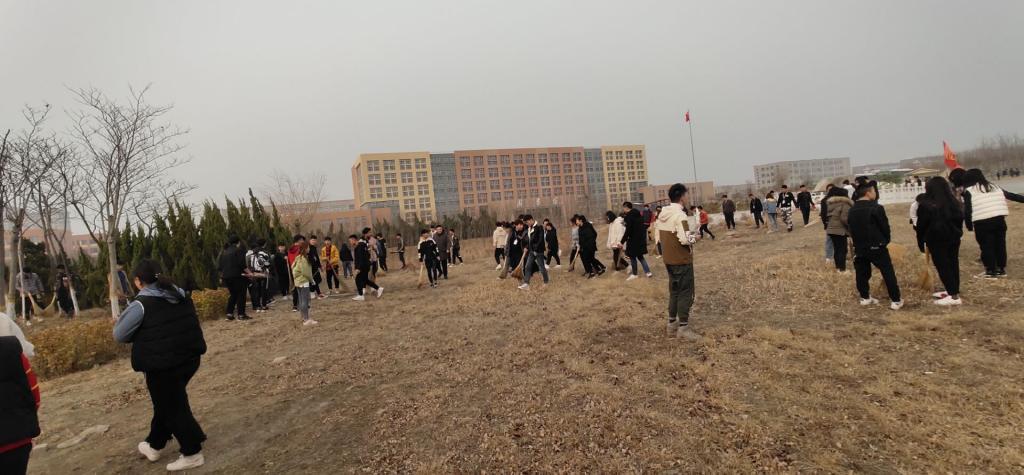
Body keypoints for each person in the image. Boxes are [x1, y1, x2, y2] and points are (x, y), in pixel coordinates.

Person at [113, 259, 208, 472]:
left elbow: (119, 335)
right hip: (189, 358)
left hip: (162, 365)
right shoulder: (179, 294)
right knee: (169, 401)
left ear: (138, 281)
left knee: (173, 407)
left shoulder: (141, 304)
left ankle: (192, 452)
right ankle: (154, 444)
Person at [847, 186, 903, 310]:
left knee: (862, 273)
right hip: (876, 245)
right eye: (873, 191)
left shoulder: (852, 209)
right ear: (868, 193)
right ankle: (896, 300)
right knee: (887, 272)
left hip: (859, 246)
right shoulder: (876, 207)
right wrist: (885, 241)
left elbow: (850, 228)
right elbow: (885, 227)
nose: (875, 193)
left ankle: (865, 297)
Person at [962, 168, 1024, 278]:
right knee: (1000, 245)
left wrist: (969, 225)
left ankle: (991, 270)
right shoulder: (994, 186)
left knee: (987, 246)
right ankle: (1001, 269)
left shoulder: (969, 191)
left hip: (982, 223)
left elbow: (968, 210)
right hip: (999, 220)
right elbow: (1011, 196)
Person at [656, 183, 699, 340]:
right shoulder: (680, 215)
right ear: (681, 197)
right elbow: (685, 239)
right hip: (681, 260)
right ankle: (683, 328)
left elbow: (659, 238)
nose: (687, 198)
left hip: (669, 260)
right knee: (685, 293)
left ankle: (671, 325)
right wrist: (696, 237)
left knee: (674, 292)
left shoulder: (662, 214)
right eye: (686, 195)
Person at [916, 177, 964, 305]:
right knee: (953, 263)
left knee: (943, 266)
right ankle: (953, 290)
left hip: (936, 239)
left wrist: (920, 241)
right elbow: (960, 219)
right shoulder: (954, 202)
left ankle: (954, 297)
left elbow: (921, 225)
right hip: (954, 237)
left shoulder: (926, 205)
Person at [217, 236, 249, 321]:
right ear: (238, 242)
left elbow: (219, 267)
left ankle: (229, 313)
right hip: (237, 276)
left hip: (226, 277)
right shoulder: (239, 250)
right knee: (241, 294)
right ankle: (241, 314)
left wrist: (221, 277)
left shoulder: (223, 252)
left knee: (233, 294)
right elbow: (242, 264)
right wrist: (250, 273)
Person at [620, 201, 652, 280]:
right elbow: (637, 227)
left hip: (633, 240)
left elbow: (628, 231)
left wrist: (621, 242)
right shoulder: (638, 215)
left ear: (626, 207)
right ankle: (648, 272)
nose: (623, 209)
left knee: (632, 257)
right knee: (640, 256)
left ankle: (635, 274)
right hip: (640, 239)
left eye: (623, 208)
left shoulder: (629, 217)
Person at [824, 187, 853, 272]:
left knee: (837, 249)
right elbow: (844, 218)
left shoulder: (832, 204)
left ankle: (838, 268)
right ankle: (842, 269)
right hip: (840, 230)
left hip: (831, 230)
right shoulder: (845, 204)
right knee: (842, 250)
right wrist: (850, 226)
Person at [290, 240, 318, 325]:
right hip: (303, 282)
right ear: (305, 249)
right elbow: (306, 272)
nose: (309, 249)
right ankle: (306, 319)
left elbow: (293, 267)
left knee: (302, 300)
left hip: (298, 282)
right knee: (305, 300)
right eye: (308, 247)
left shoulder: (298, 257)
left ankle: (303, 317)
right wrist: (311, 280)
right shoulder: (303, 259)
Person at [519, 215, 549, 290]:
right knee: (527, 266)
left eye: (527, 222)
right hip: (531, 251)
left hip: (539, 251)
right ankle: (526, 284)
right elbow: (530, 241)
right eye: (526, 223)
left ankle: (546, 282)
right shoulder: (529, 228)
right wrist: (527, 247)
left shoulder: (539, 227)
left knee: (541, 267)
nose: (527, 224)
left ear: (531, 220)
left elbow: (540, 240)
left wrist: (536, 249)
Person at [351, 234, 383, 301]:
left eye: (350, 241)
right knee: (365, 280)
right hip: (365, 265)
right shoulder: (361, 246)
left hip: (363, 266)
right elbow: (366, 255)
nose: (350, 242)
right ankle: (379, 288)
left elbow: (361, 259)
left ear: (354, 240)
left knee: (358, 280)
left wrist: (358, 268)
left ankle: (361, 295)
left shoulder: (359, 247)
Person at [245, 239, 271, 313]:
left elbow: (248, 265)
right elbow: (268, 263)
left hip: (255, 274)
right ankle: (263, 305)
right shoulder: (263, 253)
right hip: (261, 273)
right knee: (263, 289)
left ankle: (258, 306)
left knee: (257, 290)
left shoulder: (250, 255)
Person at [820, 184, 836, 263]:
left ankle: (838, 256)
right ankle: (829, 257)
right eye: (829, 189)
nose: (830, 191)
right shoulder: (824, 200)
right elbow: (823, 213)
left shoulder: (838, 199)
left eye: (832, 189)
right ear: (826, 191)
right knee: (829, 240)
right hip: (829, 222)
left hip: (839, 223)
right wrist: (825, 224)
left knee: (839, 240)